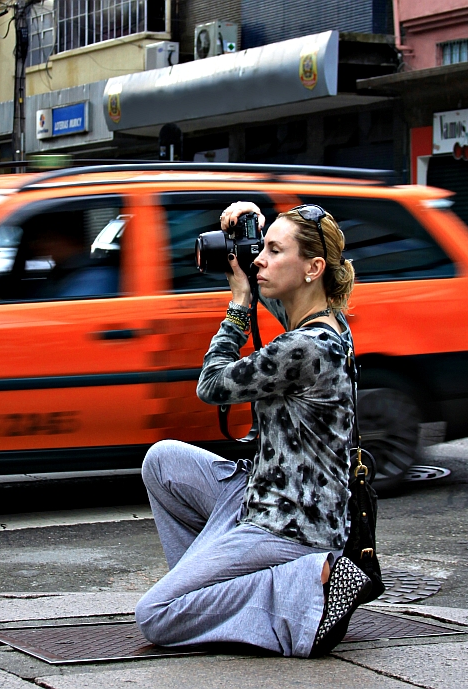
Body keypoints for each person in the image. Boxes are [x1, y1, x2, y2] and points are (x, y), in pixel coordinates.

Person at [135, 201, 371, 658]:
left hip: (292, 526)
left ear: (313, 268)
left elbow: (211, 385)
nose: (260, 259)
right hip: (259, 494)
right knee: (163, 460)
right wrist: (253, 223)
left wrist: (238, 304)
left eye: (274, 251)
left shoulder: (303, 346)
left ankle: (308, 585)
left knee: (156, 614)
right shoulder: (326, 324)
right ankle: (211, 596)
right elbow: (272, 291)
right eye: (262, 249)